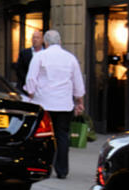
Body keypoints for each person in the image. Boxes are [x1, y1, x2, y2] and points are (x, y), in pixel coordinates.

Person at [25, 29, 85, 179]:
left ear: (45, 42)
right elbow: (77, 81)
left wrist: (30, 94)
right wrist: (79, 101)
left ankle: (43, 166)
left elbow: (31, 79)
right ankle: (62, 170)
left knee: (43, 137)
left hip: (44, 103)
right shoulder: (70, 58)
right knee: (62, 136)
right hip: (64, 104)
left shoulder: (40, 57)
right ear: (60, 42)